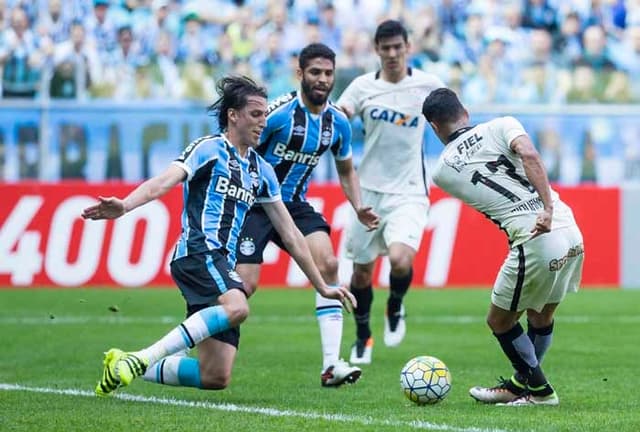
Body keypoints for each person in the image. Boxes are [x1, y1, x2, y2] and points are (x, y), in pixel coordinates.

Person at [82, 75, 356, 396]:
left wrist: (323, 285)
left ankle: (124, 362)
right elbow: (163, 182)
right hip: (198, 252)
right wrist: (125, 205)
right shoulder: (208, 149)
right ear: (233, 115)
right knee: (238, 306)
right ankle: (141, 359)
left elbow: (291, 234)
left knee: (215, 375)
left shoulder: (262, 171)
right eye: (256, 115)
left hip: (220, 263)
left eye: (265, 116)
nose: (263, 123)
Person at [422, 87, 584, 406]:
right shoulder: (502, 123)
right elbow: (530, 154)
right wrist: (548, 207)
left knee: (499, 321)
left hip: (533, 237)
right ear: (465, 111)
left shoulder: (441, 172)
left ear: (434, 126)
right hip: (569, 228)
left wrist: (542, 215)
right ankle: (521, 385)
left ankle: (539, 392)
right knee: (540, 315)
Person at [235, 43, 379, 387]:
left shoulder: (338, 123)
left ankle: (331, 364)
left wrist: (358, 206)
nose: (323, 79)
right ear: (300, 74)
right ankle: (192, 334)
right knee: (244, 287)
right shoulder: (278, 114)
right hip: (255, 203)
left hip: (295, 205)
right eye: (315, 72)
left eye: (328, 73)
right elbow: (240, 147)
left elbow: (346, 171)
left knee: (328, 264)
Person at [336, 20, 444, 364]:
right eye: (386, 48)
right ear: (377, 50)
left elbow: (452, 118)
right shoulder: (362, 87)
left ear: (408, 47)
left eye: (398, 46)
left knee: (400, 259)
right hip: (367, 191)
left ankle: (395, 305)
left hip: (410, 190)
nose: (393, 53)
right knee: (361, 274)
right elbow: (339, 119)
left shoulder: (428, 85)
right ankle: (363, 335)